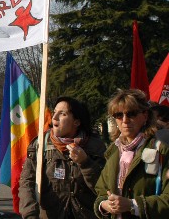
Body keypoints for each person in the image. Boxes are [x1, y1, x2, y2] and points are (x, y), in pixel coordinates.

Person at [19, 96, 106, 219]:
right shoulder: (40, 144)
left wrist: (85, 163)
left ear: (76, 122)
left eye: (62, 114)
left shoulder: (94, 146)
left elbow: (104, 189)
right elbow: (26, 182)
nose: (54, 117)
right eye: (55, 112)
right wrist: (30, 214)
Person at [94, 89, 169, 219]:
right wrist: (104, 205)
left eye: (131, 114)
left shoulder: (162, 148)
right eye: (118, 115)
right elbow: (101, 191)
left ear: (145, 116)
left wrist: (132, 205)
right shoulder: (113, 151)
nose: (125, 120)